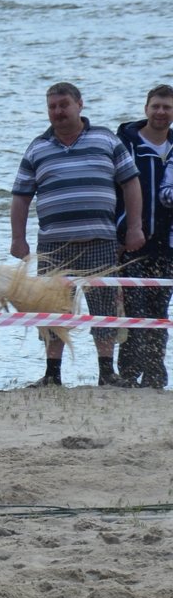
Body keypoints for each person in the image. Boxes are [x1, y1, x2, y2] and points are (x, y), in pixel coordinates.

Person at [11, 82, 142, 387]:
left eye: (63, 105)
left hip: (101, 241)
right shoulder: (37, 147)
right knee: (53, 310)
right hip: (54, 245)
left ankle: (107, 373)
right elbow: (20, 195)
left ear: (80, 105)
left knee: (105, 310)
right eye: (52, 106)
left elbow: (131, 183)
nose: (57, 112)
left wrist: (135, 227)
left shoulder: (106, 140)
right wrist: (18, 238)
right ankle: (52, 374)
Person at [121, 84, 173, 388]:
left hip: (166, 244)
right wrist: (124, 231)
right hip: (132, 238)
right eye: (156, 106)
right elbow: (117, 190)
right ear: (146, 109)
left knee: (159, 310)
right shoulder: (127, 143)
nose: (161, 112)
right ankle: (128, 373)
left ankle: (155, 374)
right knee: (132, 308)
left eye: (167, 107)